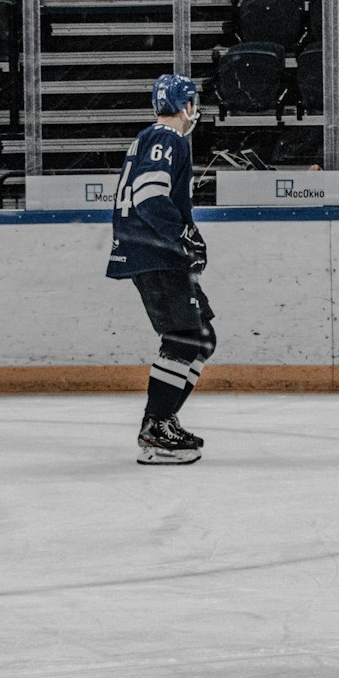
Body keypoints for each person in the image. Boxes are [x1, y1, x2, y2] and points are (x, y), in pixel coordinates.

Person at [106, 74, 215, 465]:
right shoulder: (168, 139)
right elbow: (150, 195)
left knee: (202, 339)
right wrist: (183, 236)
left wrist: (185, 238)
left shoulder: (151, 138)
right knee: (185, 340)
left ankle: (165, 420)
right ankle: (156, 428)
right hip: (155, 252)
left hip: (158, 252)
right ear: (187, 105)